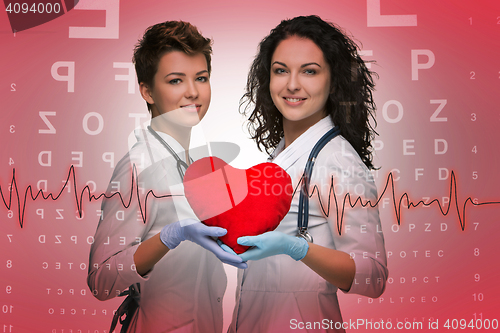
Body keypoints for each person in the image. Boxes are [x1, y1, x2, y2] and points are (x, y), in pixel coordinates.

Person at [228, 16, 388, 332]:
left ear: (334, 80)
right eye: (281, 70)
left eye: (310, 71)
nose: (292, 84)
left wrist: (298, 249)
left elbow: (373, 276)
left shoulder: (338, 159)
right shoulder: (280, 154)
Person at [87, 21, 246, 333]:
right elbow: (101, 279)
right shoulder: (137, 166)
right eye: (176, 80)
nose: (192, 91)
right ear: (147, 91)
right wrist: (169, 236)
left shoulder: (202, 165)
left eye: (201, 78)